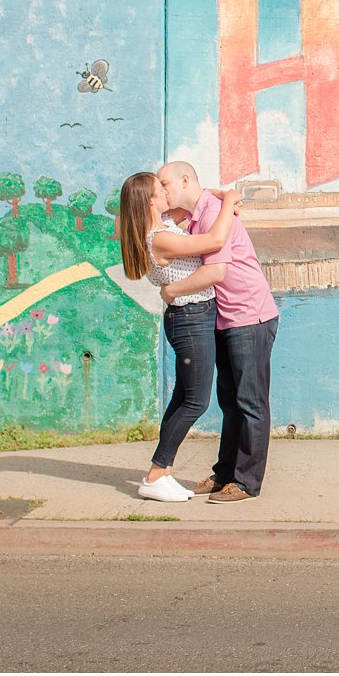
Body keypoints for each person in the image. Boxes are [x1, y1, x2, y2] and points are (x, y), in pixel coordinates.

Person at [116, 171, 242, 502]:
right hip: (190, 318)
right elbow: (214, 241)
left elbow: (189, 212)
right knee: (195, 401)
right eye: (161, 190)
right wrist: (229, 201)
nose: (167, 194)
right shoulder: (158, 238)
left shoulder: (161, 227)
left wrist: (213, 196)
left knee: (182, 397)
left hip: (192, 315)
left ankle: (163, 472)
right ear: (150, 200)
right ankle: (156, 475)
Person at [157, 160, 279, 503]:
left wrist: (172, 291)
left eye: (165, 184)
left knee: (250, 402)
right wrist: (223, 194)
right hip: (227, 318)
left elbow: (216, 273)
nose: (162, 191)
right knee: (230, 401)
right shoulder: (199, 215)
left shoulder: (211, 215)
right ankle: (225, 473)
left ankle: (245, 482)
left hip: (249, 316)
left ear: (184, 180)